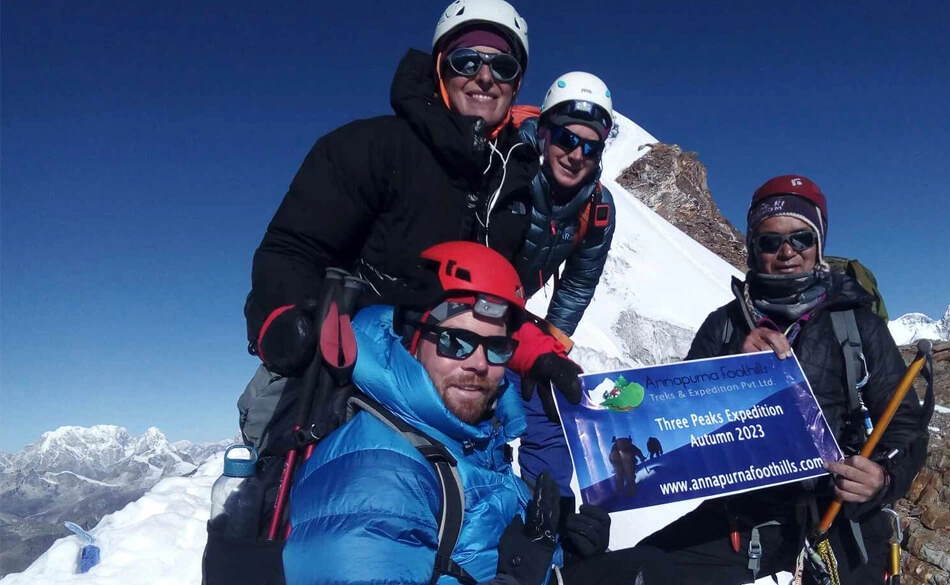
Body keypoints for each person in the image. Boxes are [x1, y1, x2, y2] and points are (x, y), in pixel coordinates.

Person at [283, 242, 685, 585]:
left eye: (496, 349)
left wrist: (566, 554)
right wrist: (522, 572)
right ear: (412, 341)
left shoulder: (468, 440)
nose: (478, 364)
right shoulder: (377, 475)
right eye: (456, 342)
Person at [640, 175, 929, 583]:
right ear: (753, 250)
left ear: (819, 245)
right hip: (742, 517)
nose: (787, 252)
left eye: (801, 239)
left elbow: (906, 431)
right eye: (770, 242)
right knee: (628, 571)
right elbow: (677, 426)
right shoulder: (724, 327)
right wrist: (731, 369)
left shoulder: (857, 325)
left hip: (841, 516)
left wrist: (882, 479)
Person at [245, 0, 540, 381]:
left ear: (516, 85)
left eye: (503, 67)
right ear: (440, 69)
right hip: (359, 374)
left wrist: (538, 356)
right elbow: (293, 250)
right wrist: (283, 318)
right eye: (465, 61)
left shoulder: (514, 185)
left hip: (467, 379)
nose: (484, 76)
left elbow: (505, 301)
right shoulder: (372, 147)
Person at [509, 72, 617, 499]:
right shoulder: (506, 166)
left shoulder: (598, 208)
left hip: (515, 319)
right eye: (566, 140)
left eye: (590, 148)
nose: (576, 155)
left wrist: (548, 350)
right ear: (544, 132)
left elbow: (576, 286)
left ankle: (546, 521)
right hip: (464, 309)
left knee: (552, 418)